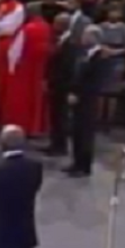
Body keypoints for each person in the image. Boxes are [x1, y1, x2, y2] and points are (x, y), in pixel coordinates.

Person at [0, 3, 51, 136]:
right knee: (37, 97)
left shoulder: (26, 29)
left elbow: (14, 52)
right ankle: (35, 128)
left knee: (21, 99)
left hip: (24, 69)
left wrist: (11, 67)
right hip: (40, 69)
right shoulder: (46, 27)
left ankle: (22, 126)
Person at [65, 25, 108, 177]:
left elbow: (94, 81)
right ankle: (76, 162)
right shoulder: (84, 54)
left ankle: (84, 166)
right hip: (78, 98)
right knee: (77, 131)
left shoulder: (100, 57)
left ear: (94, 37)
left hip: (88, 100)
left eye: (85, 35)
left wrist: (79, 94)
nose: (83, 38)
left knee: (86, 133)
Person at [44, 13, 75, 156]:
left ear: (63, 25)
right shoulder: (60, 40)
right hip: (55, 83)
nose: (53, 26)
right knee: (55, 115)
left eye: (56, 23)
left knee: (60, 116)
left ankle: (60, 146)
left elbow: (67, 67)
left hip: (62, 85)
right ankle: (54, 143)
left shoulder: (70, 43)